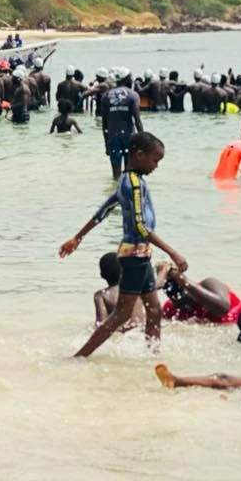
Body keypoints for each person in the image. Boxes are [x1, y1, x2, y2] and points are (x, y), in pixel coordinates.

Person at [59, 132, 185, 357]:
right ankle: (80, 356)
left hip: (142, 254)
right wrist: (173, 253)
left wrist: (78, 237)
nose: (156, 166)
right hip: (134, 256)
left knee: (154, 310)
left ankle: (152, 354)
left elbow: (104, 210)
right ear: (139, 155)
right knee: (122, 313)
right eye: (155, 160)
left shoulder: (128, 180)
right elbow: (140, 227)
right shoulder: (133, 184)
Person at [98, 71, 143, 179]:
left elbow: (104, 123)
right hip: (129, 137)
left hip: (113, 137)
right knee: (130, 174)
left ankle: (116, 188)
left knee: (116, 176)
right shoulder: (133, 95)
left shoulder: (106, 96)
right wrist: (143, 143)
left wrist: (106, 143)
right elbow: (137, 121)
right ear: (126, 79)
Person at [93, 251, 143, 331]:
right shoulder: (136, 289)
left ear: (102, 275)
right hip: (140, 329)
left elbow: (101, 323)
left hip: (120, 331)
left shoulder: (101, 295)